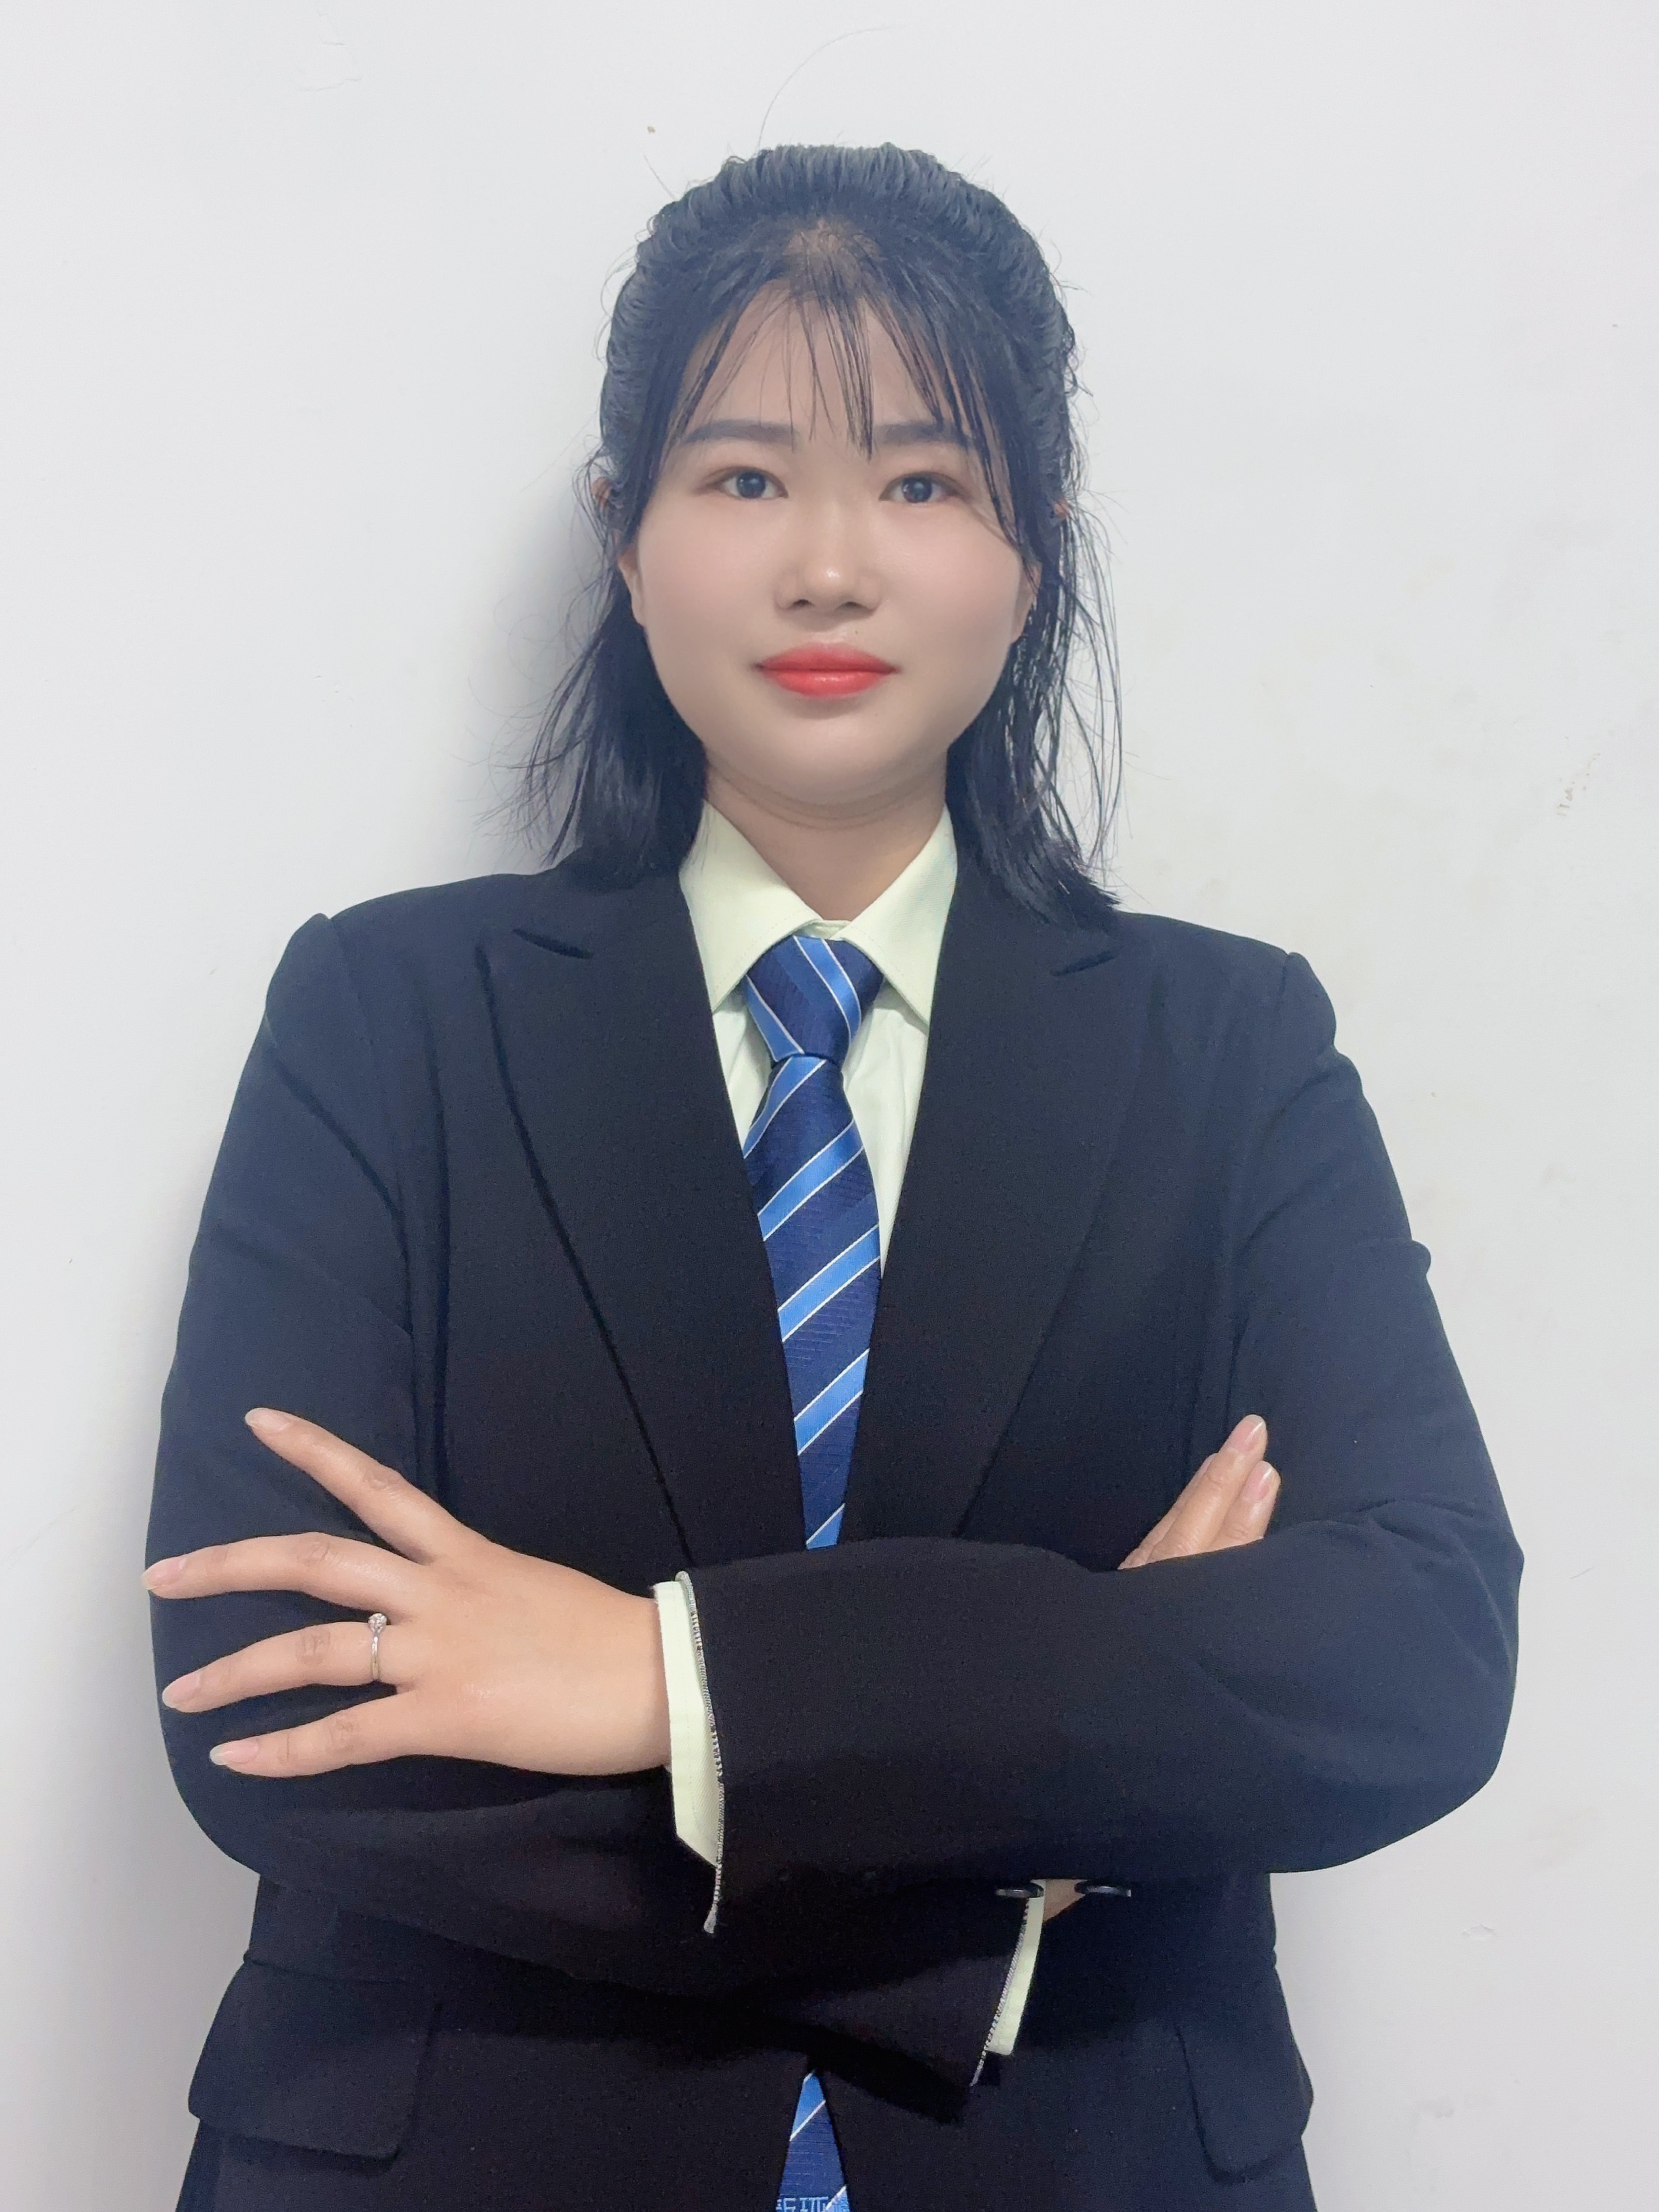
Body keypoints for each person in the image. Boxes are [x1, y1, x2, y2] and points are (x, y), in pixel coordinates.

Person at [144, 143, 1522, 2212]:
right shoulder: (386, 1016)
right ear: (626, 538)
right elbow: (271, 1700)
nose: (828, 568)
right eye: (744, 476)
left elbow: (1409, 1659)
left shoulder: (1231, 1048)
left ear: (1036, 551)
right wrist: (1053, 1780)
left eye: (925, 481)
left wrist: (663, 1683)